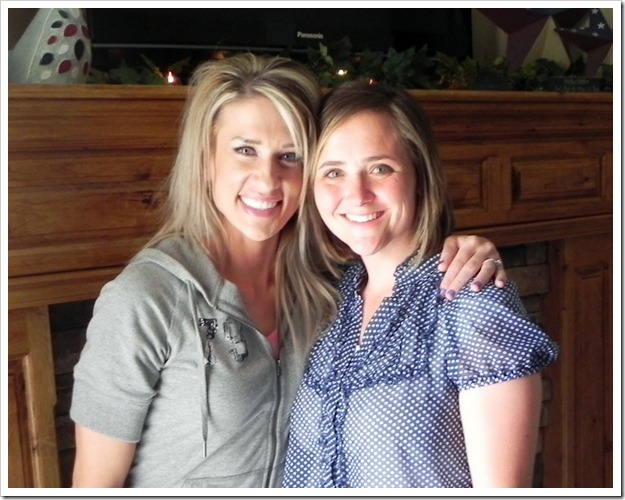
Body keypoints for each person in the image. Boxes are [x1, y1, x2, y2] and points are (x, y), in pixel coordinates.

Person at [70, 53, 507, 488]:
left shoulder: (331, 286)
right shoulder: (146, 297)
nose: (267, 179)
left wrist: (469, 251)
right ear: (205, 160)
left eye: (290, 156)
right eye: (245, 150)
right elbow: (95, 484)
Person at [282, 81, 559, 488]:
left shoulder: (473, 303)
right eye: (333, 172)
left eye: (380, 168)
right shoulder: (328, 301)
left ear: (420, 174)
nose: (356, 194)